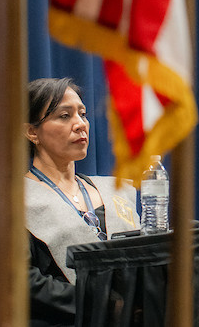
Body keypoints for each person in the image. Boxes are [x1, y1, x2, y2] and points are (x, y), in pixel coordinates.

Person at [24, 78, 139, 326]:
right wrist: (102, 305)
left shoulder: (116, 190)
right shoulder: (17, 200)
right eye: (64, 116)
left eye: (83, 114)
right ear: (32, 132)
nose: (80, 125)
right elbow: (24, 282)